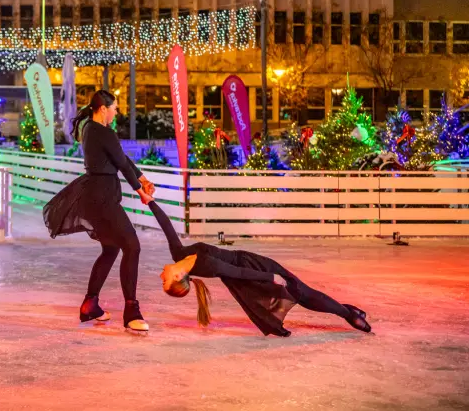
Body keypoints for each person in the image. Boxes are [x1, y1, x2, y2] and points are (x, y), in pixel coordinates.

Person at [135, 188, 372, 337]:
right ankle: (348, 314)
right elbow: (239, 272)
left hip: (249, 263)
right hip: (252, 269)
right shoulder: (206, 266)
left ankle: (346, 311)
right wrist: (271, 277)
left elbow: (167, 228)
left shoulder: (179, 254)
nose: (160, 276)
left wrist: (150, 201)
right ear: (178, 278)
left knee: (302, 291)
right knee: (300, 292)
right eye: (164, 281)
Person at [43, 89, 156, 333]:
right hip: (103, 199)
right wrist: (141, 191)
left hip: (96, 196)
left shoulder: (91, 130)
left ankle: (90, 304)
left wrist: (143, 179)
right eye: (114, 107)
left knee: (111, 249)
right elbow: (122, 164)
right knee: (132, 246)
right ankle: (131, 311)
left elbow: (122, 159)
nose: (116, 112)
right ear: (103, 108)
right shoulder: (102, 132)